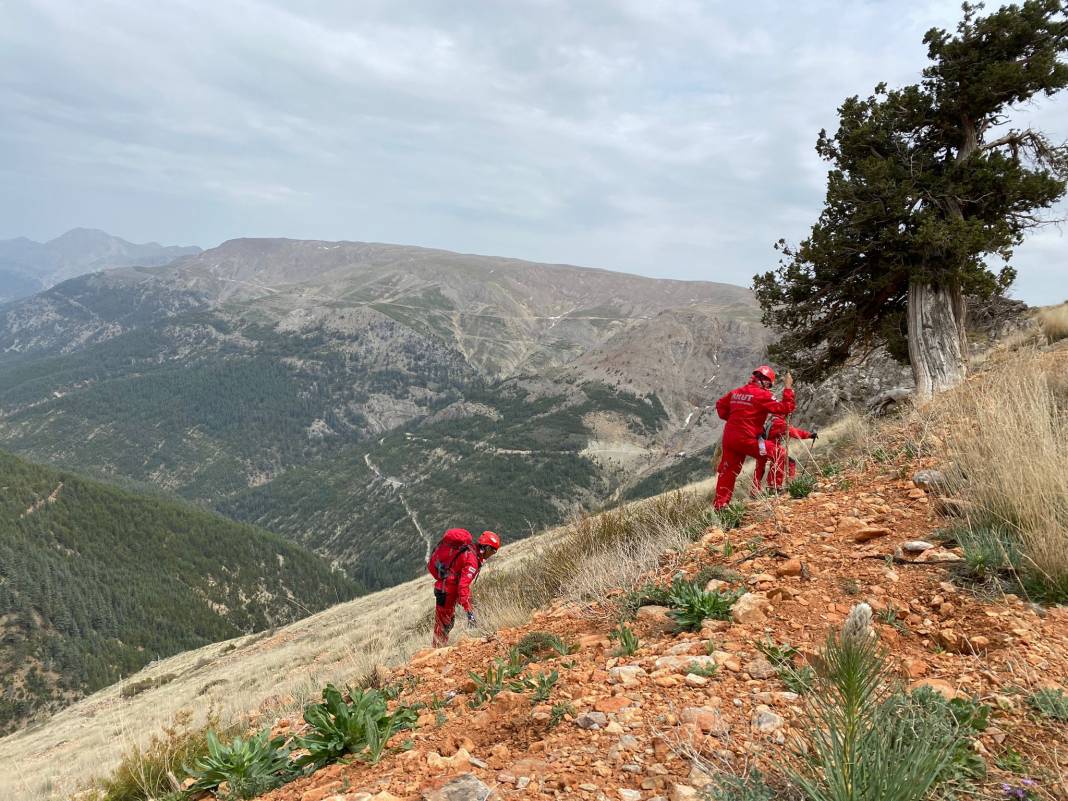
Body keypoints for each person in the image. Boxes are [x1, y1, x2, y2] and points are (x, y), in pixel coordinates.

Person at [713, 365, 795, 509]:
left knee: (728, 471)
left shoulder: (736, 392)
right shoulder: (763, 395)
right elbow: (786, 408)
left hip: (730, 438)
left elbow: (720, 406)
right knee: (778, 452)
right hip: (747, 439)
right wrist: (788, 388)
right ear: (765, 381)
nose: (769, 387)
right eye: (769, 384)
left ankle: (721, 505)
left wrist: (735, 419)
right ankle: (774, 488)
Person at [427, 528, 500, 647]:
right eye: (493, 551)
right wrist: (469, 611)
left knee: (446, 623)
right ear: (486, 548)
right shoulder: (472, 561)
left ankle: (438, 648)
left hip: (445, 590)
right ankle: (435, 652)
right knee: (443, 625)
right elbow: (463, 586)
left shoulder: (471, 550)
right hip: (446, 593)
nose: (492, 554)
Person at [752, 415, 817, 494]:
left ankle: (754, 491)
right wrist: (809, 435)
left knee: (760, 469)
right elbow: (794, 432)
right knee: (782, 460)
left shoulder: (770, 419)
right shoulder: (779, 422)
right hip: (771, 446)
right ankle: (776, 486)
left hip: (760, 446)